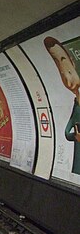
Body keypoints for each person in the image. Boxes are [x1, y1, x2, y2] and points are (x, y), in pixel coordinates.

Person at [44, 36, 80, 174]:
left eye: (69, 71)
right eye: (62, 72)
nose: (66, 77)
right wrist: (75, 137)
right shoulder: (76, 105)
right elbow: (67, 131)